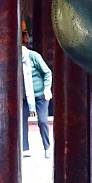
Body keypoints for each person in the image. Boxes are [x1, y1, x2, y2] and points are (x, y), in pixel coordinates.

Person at [22, 30, 53, 158]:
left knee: (42, 121)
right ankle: (25, 148)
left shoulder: (34, 56)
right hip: (24, 96)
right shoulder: (15, 58)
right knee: (22, 121)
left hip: (40, 95)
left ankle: (47, 147)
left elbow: (47, 73)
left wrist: (47, 89)